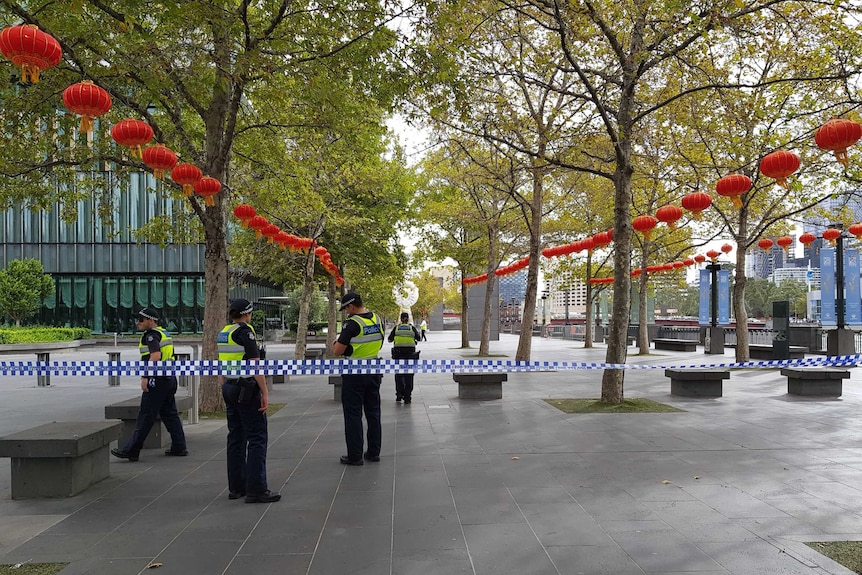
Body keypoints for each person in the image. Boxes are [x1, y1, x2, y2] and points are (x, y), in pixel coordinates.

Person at [218, 298, 281, 503]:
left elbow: (222, 364)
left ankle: (236, 487)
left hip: (229, 386)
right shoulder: (246, 332)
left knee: (235, 437)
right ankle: (256, 488)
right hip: (246, 389)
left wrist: (225, 385)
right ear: (247, 313)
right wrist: (264, 392)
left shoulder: (224, 332)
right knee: (256, 438)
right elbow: (255, 366)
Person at [111, 307, 187, 462]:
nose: (137, 322)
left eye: (141, 320)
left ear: (150, 320)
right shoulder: (163, 332)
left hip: (157, 380)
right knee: (170, 414)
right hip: (169, 378)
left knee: (146, 415)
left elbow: (155, 356)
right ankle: (179, 446)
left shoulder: (151, 336)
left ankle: (131, 450)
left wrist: (145, 376)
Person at [331, 291, 384, 466]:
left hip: (354, 373)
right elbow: (379, 342)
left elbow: (337, 350)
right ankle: (374, 452)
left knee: (353, 414)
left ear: (351, 306)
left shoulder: (352, 323)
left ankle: (355, 455)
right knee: (373, 412)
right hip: (374, 370)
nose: (346, 313)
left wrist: (345, 349)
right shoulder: (376, 319)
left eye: (346, 309)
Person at [388, 312, 420, 403]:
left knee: (398, 375)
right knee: (409, 376)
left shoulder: (396, 328)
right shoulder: (411, 328)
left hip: (398, 355)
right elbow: (419, 338)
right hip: (410, 356)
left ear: (401, 319)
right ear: (408, 319)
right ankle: (407, 397)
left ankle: (399, 394)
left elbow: (390, 340)